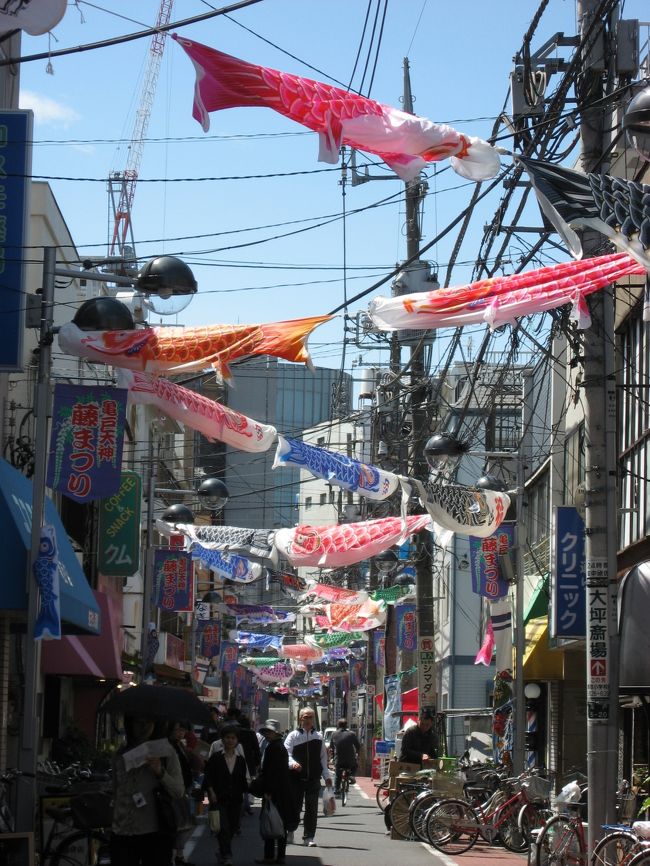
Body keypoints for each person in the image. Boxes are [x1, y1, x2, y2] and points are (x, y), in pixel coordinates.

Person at [110, 714, 185, 866]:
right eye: (138, 722)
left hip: (155, 832)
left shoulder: (165, 752)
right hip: (123, 832)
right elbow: (116, 791)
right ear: (130, 724)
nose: (143, 727)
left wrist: (160, 772)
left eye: (149, 722)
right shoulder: (120, 755)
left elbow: (178, 791)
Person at [284, 706, 332, 847]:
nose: (308, 720)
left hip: (313, 779)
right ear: (300, 719)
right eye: (306, 717)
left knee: (312, 809)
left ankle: (308, 837)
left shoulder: (318, 737)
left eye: (311, 717)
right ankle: (291, 830)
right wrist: (293, 764)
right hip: (296, 778)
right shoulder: (293, 735)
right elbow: (286, 754)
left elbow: (323, 758)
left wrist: (327, 776)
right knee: (295, 807)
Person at [203, 724, 249, 866]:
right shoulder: (216, 758)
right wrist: (211, 792)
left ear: (237, 740)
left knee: (233, 827)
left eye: (233, 738)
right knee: (223, 827)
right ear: (222, 740)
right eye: (227, 737)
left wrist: (250, 789)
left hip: (235, 798)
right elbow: (208, 776)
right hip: (219, 798)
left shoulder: (241, 760)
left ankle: (222, 851)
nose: (230, 740)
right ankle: (227, 855)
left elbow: (244, 779)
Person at [254, 719, 296, 865]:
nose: (267, 734)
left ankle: (270, 856)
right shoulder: (278, 746)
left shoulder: (274, 748)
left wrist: (268, 790)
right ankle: (280, 856)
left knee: (271, 822)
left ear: (275, 733)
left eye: (269, 731)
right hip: (282, 791)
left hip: (274, 792)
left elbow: (272, 773)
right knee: (279, 824)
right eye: (266, 731)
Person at [168, 720, 195, 866]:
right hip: (176, 790)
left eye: (182, 730)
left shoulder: (180, 745)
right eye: (177, 730)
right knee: (179, 823)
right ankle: (175, 856)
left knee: (185, 823)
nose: (180, 733)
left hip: (185, 787)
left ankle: (179, 855)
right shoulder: (168, 747)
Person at [330, 718, 360, 794]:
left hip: (339, 759)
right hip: (350, 760)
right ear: (346, 725)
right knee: (355, 765)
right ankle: (352, 776)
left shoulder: (334, 734)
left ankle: (336, 789)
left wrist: (333, 757)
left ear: (338, 725)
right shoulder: (351, 734)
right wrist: (357, 754)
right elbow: (358, 746)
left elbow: (331, 748)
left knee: (337, 774)